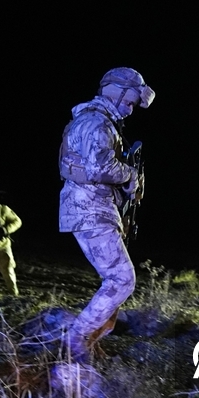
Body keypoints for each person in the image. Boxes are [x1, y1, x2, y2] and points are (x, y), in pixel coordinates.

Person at [58, 67, 154, 362]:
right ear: (116, 91)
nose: (130, 109)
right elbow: (102, 169)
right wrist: (130, 175)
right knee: (121, 279)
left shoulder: (102, 123)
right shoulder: (95, 123)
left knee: (114, 282)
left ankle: (89, 340)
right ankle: (76, 341)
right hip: (89, 209)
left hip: (96, 209)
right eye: (129, 102)